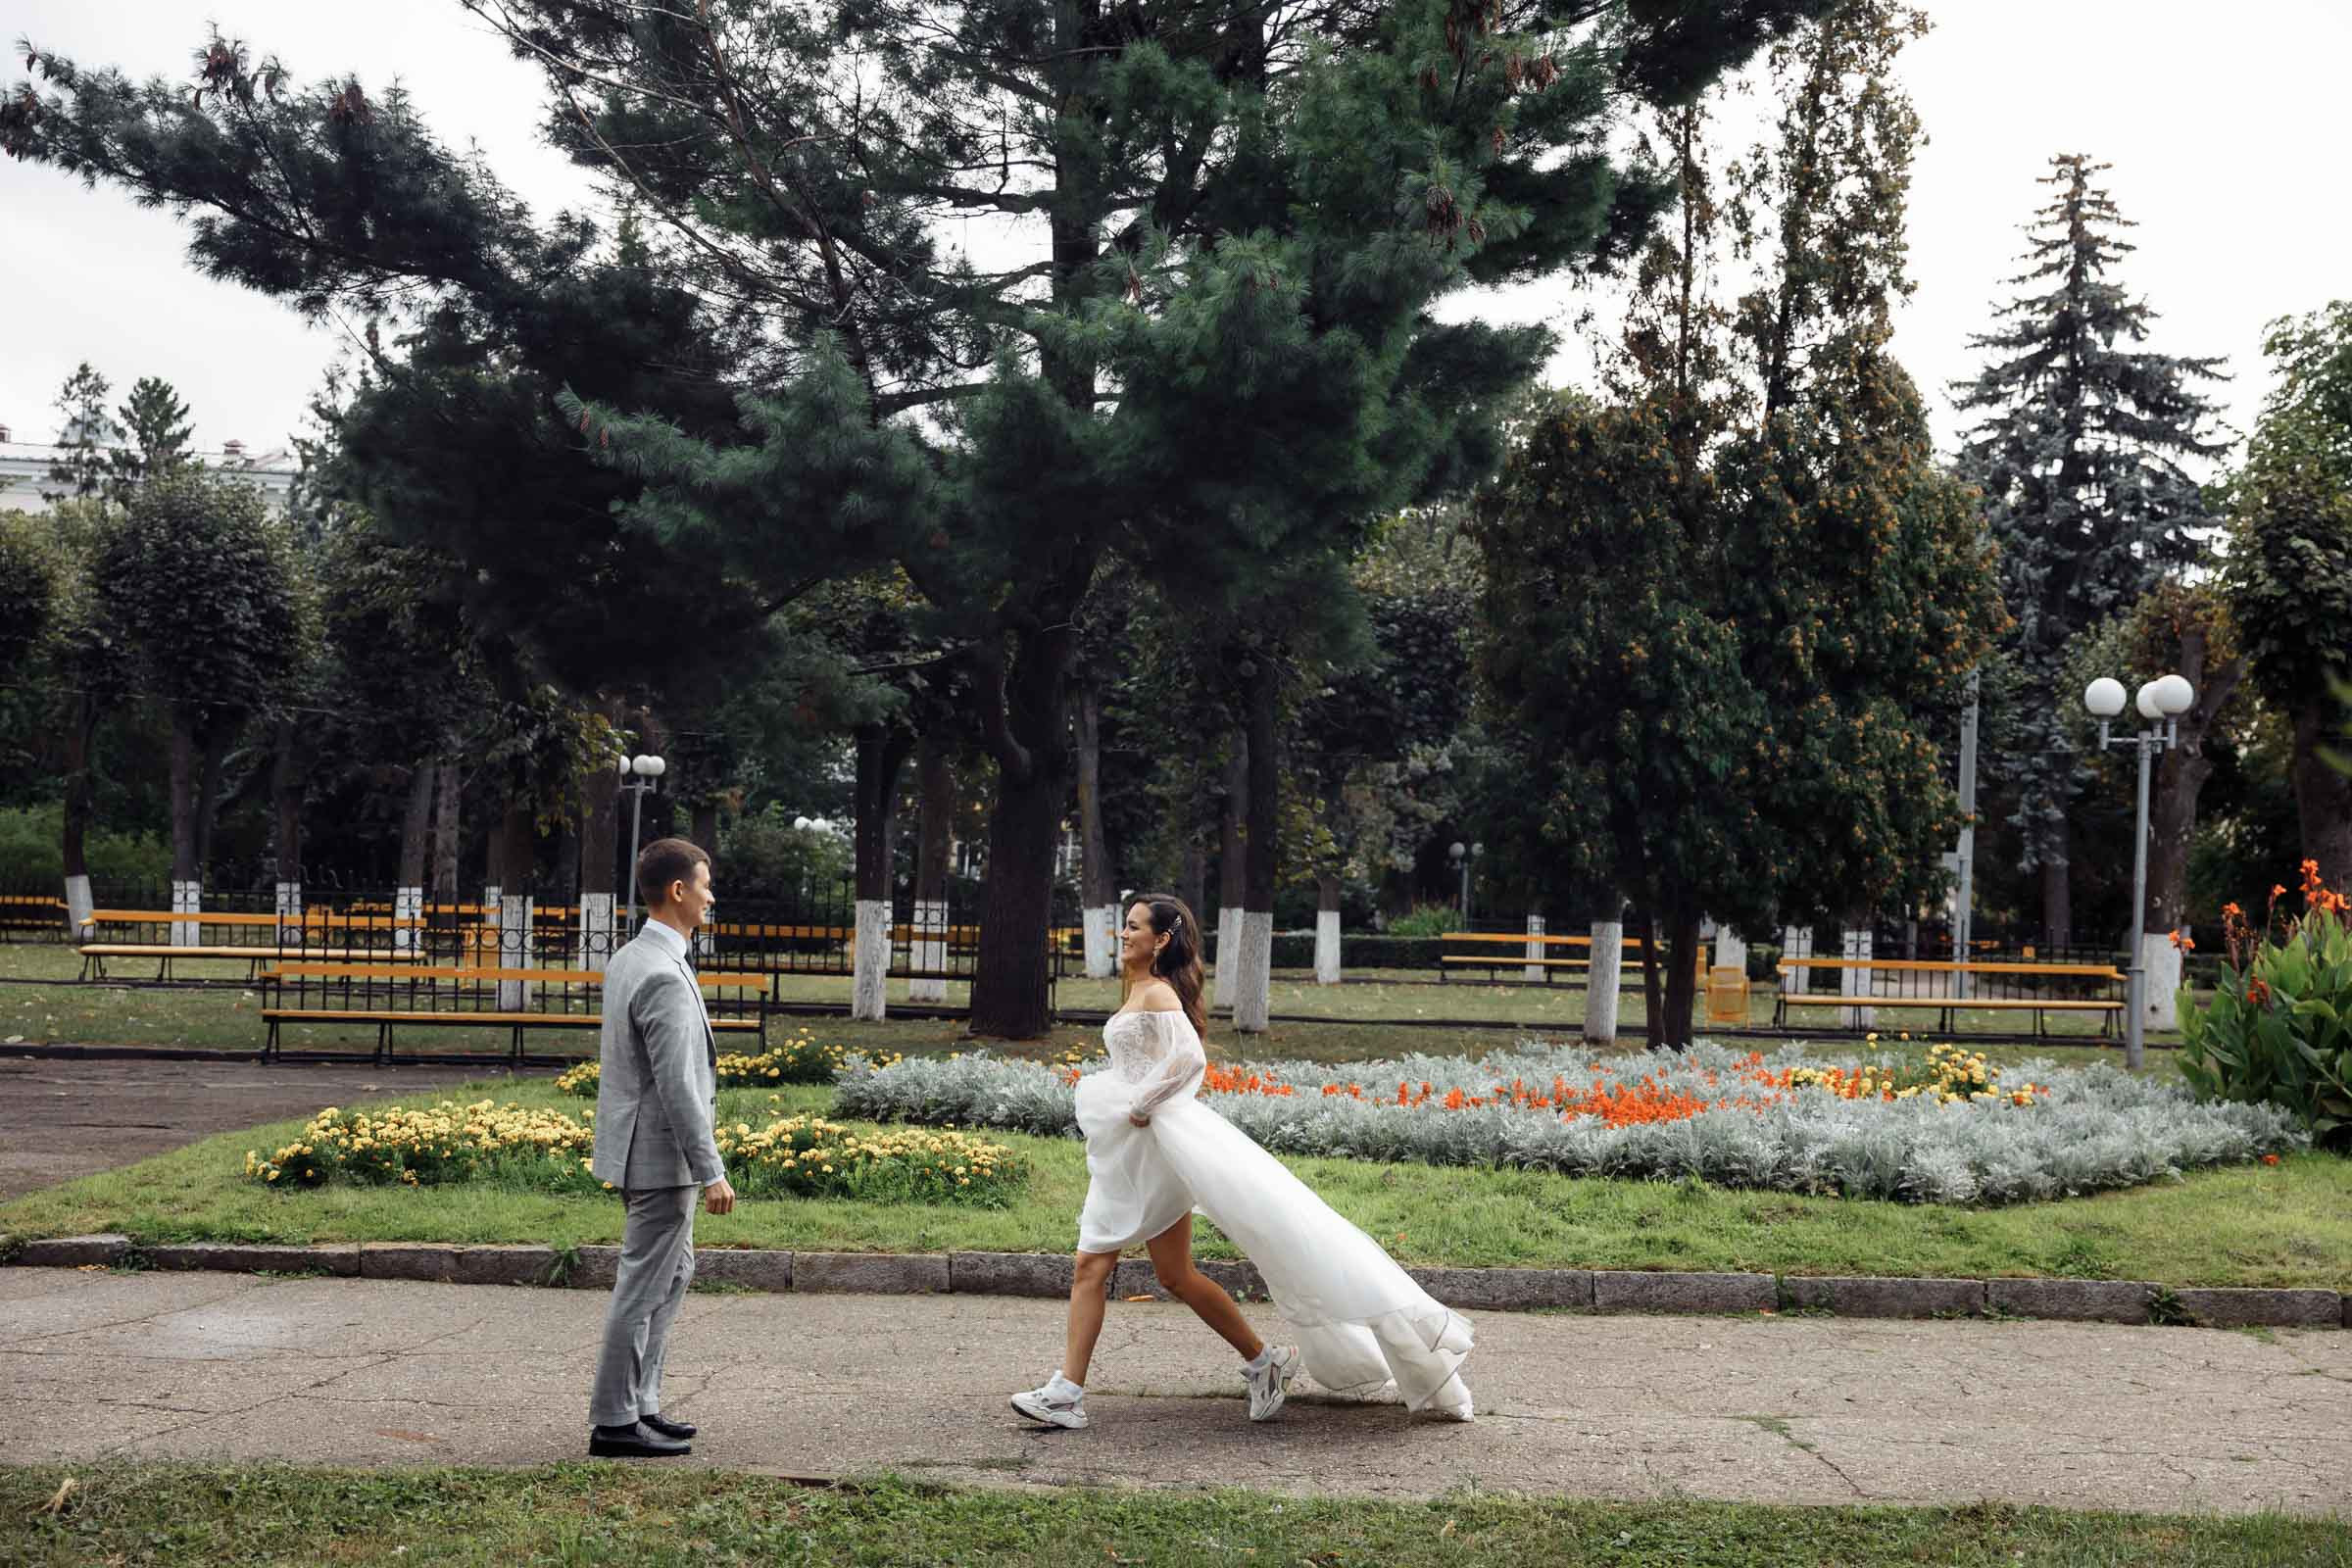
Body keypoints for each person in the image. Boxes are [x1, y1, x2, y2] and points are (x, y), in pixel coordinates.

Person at [1010, 893, 1474, 1431]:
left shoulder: (1157, 993)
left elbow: (1189, 1059)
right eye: (1125, 926)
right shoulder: (1139, 988)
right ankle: (1264, 1361)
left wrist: (1141, 1104)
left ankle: (1066, 1393)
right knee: (1175, 1275)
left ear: (1160, 939)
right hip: (1132, 1157)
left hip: (1152, 1151)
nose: (1124, 934)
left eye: (1134, 927)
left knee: (1092, 1266)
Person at [585, 836, 736, 1458]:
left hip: (639, 1147)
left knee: (672, 1274)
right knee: (644, 1284)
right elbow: (677, 1087)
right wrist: (712, 1171)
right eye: (704, 884)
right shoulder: (662, 972)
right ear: (678, 891)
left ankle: (642, 1404)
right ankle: (614, 1422)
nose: (710, 894)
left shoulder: (634, 956)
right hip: (660, 1157)